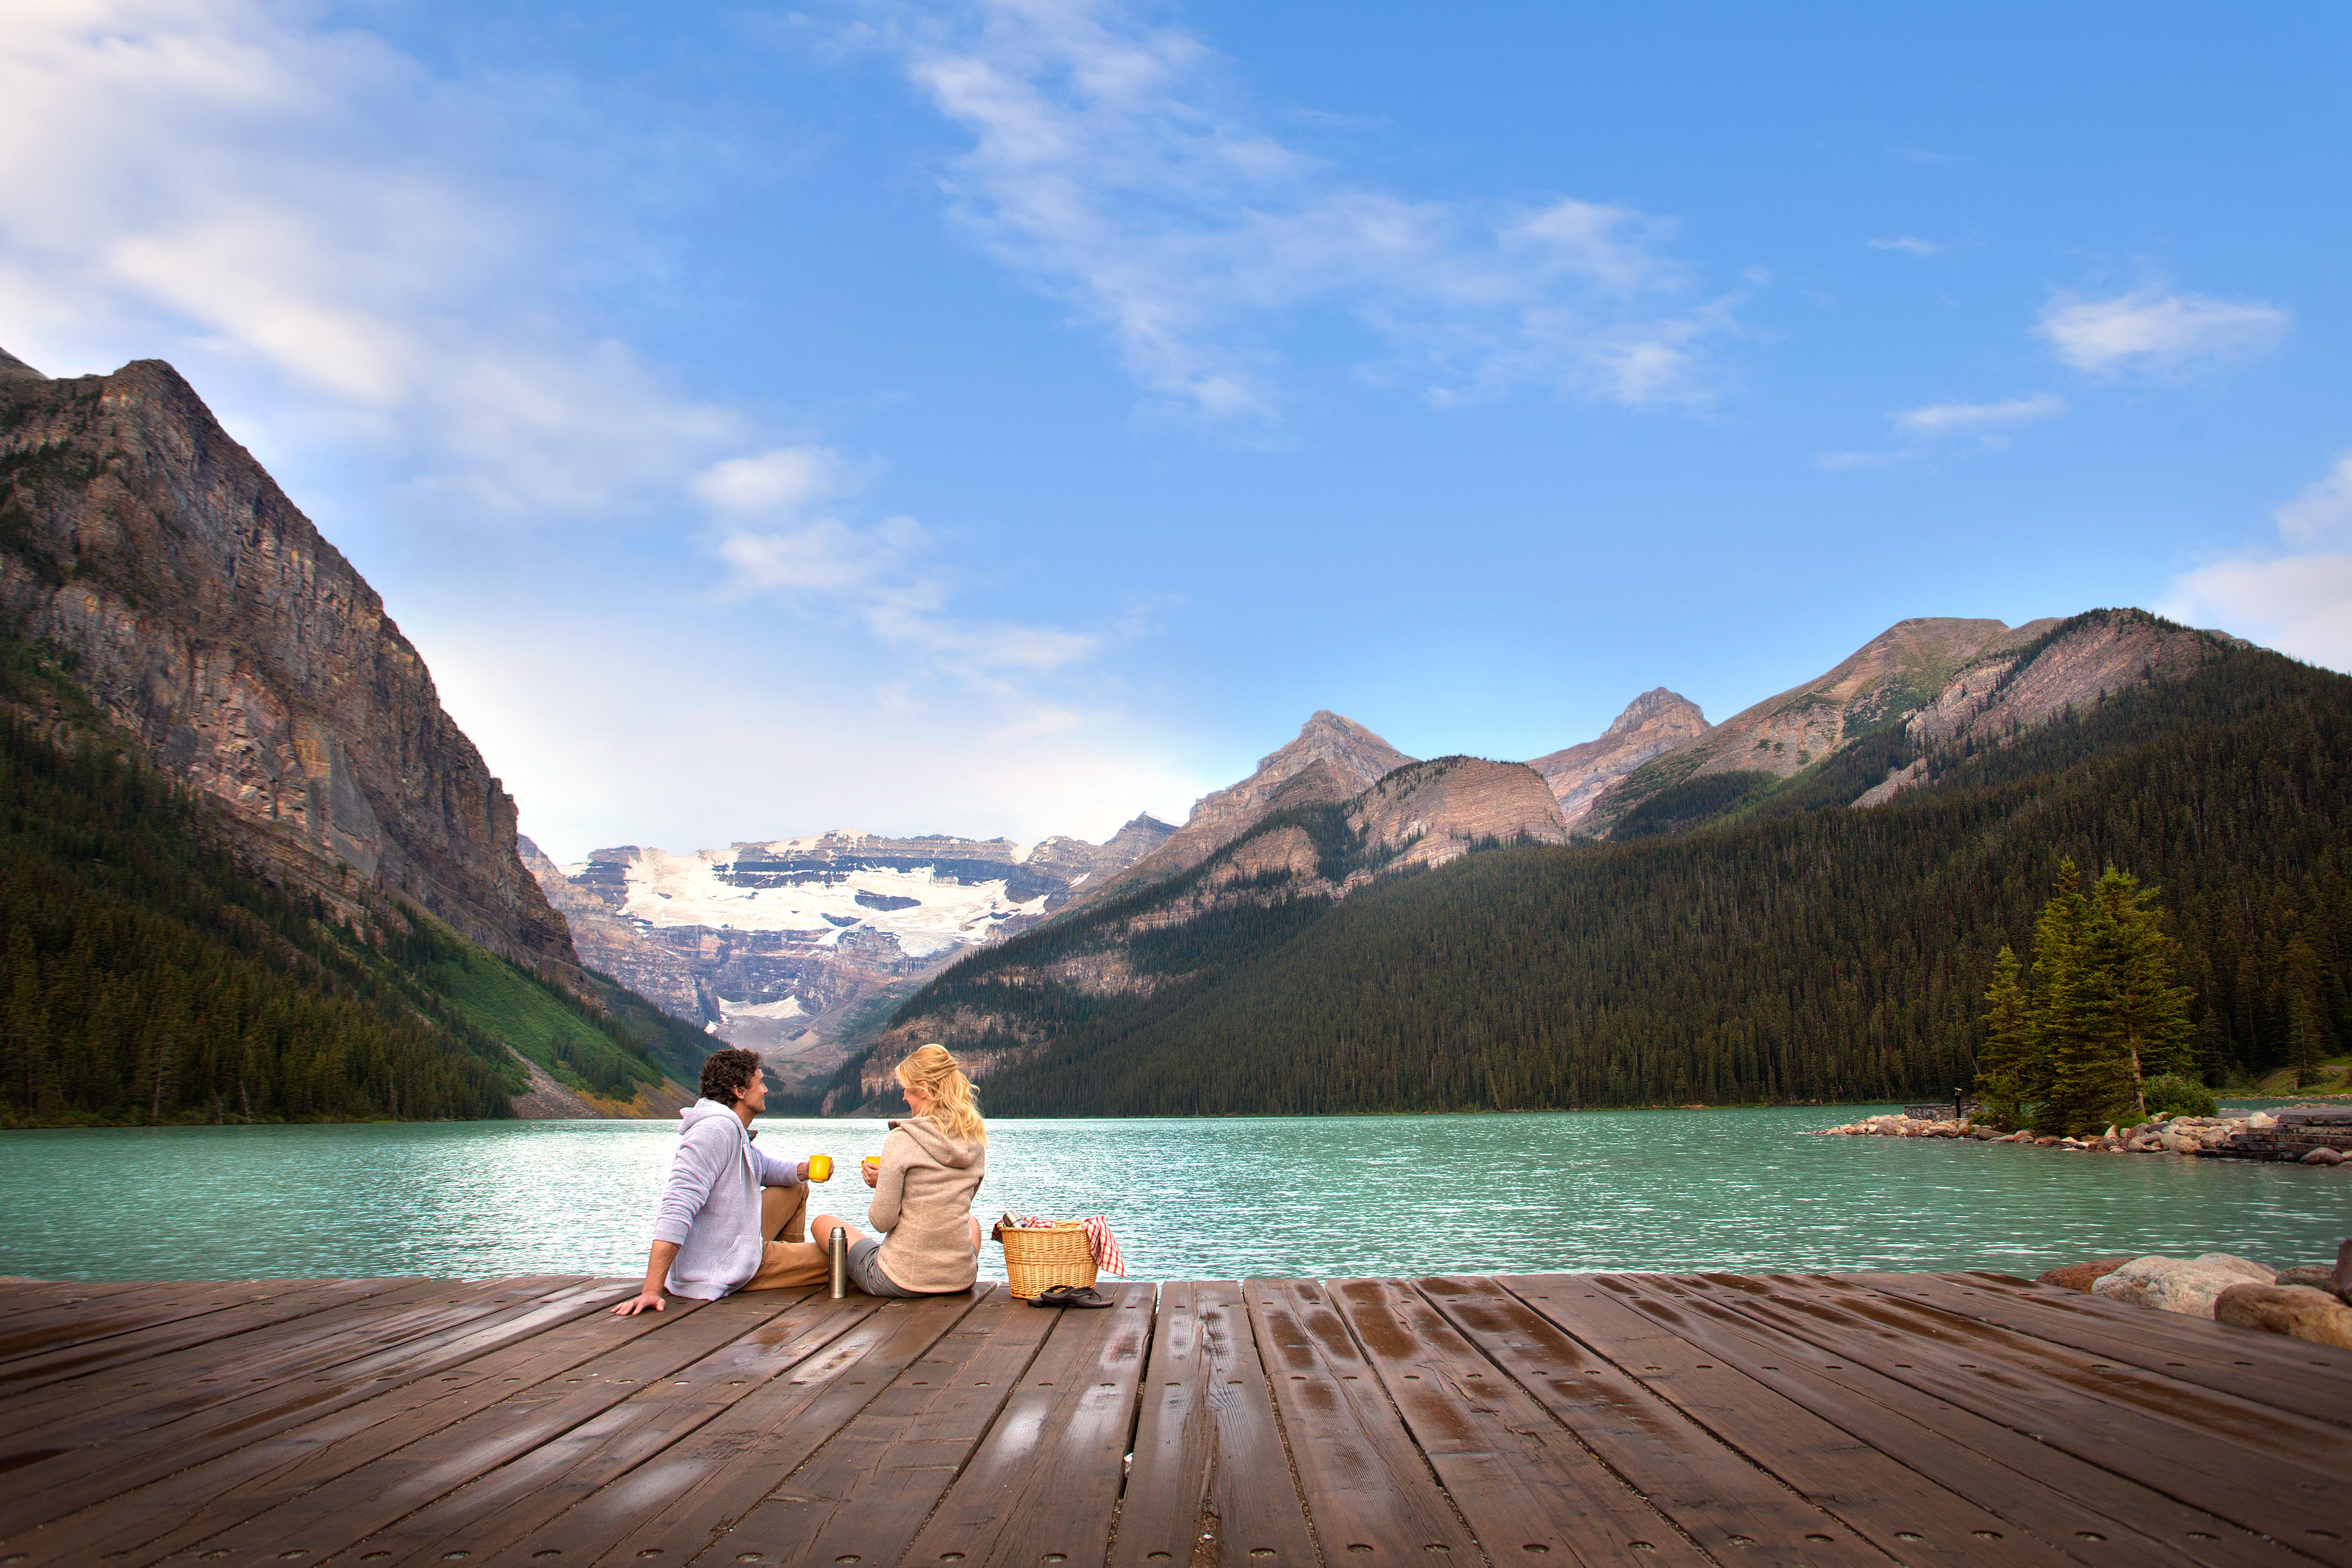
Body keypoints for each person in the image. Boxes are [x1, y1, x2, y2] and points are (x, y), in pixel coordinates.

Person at [612, 1047, 826, 1315]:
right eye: (761, 1083)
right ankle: (783, 1269)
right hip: (719, 1267)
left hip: (736, 1246)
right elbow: (677, 1206)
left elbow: (763, 1167)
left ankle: (785, 1266)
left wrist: (805, 1170)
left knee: (796, 1187)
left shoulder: (733, 1129)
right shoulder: (714, 1131)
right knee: (841, 1260)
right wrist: (652, 1290)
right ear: (739, 1091)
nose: (766, 1091)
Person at [812, 1044, 987, 1297]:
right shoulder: (976, 1140)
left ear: (924, 1091)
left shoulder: (902, 1139)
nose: (904, 1097)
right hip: (961, 1279)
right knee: (972, 1223)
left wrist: (884, 1183)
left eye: (906, 1089)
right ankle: (949, 1275)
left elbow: (882, 1222)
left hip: (901, 1280)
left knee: (822, 1223)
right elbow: (950, 1204)